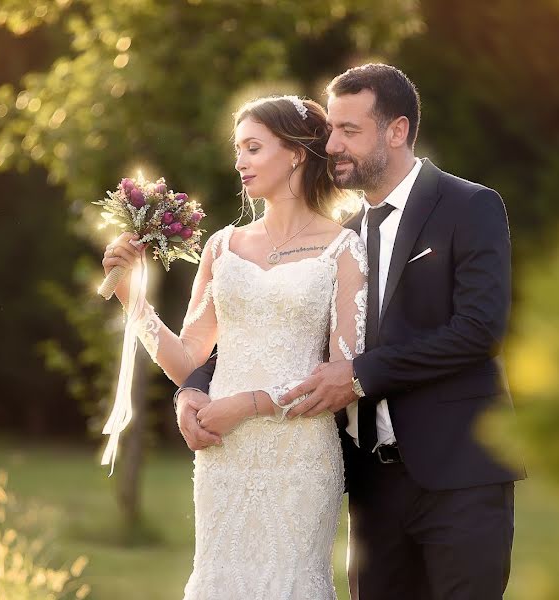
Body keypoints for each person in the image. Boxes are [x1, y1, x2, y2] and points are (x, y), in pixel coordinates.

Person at [178, 64, 527, 599]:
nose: (332, 144)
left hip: (461, 474)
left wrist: (361, 375)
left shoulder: (470, 206)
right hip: (371, 483)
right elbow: (279, 331)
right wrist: (194, 384)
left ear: (397, 130)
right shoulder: (342, 238)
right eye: (330, 129)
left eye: (349, 131)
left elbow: (478, 330)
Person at [101, 95, 367, 599]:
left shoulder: (343, 248)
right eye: (237, 149)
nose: (239, 161)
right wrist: (131, 297)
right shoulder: (222, 246)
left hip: (299, 454)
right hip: (225, 453)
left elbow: (343, 375)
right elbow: (187, 362)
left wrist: (247, 406)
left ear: (294, 154)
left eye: (253, 147)